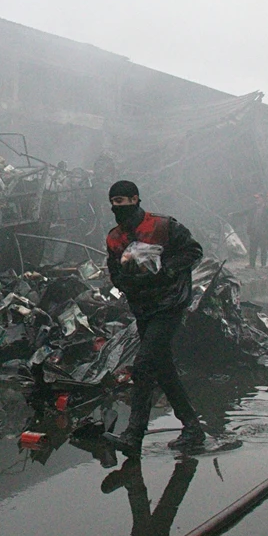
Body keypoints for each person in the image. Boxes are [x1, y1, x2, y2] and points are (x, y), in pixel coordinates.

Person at [101, 180, 207, 455]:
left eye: (123, 201)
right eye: (114, 202)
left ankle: (133, 435)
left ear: (136, 199)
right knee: (163, 368)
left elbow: (193, 251)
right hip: (143, 308)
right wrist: (127, 279)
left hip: (169, 304)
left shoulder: (162, 225)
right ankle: (193, 429)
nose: (118, 207)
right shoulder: (114, 237)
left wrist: (167, 271)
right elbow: (114, 272)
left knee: (144, 365)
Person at [246, 194, 264, 269]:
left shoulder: (266, 208)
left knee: (263, 248)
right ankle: (252, 264)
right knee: (252, 248)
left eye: (258, 198)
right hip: (253, 230)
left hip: (262, 231)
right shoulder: (253, 208)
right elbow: (246, 213)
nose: (257, 200)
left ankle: (263, 264)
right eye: (256, 198)